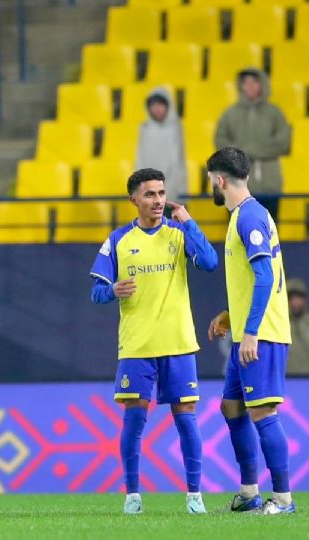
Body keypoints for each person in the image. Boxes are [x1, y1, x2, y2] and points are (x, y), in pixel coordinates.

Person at [89, 168, 218, 515]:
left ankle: (194, 496)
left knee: (186, 417)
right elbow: (96, 293)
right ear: (133, 200)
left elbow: (209, 262)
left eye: (161, 193)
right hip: (137, 346)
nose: (158, 200)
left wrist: (189, 222)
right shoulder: (118, 240)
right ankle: (132, 495)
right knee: (133, 419)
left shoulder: (177, 234)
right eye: (150, 194)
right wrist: (112, 289)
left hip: (177, 342)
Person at [205, 147, 295, 515]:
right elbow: (252, 278)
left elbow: (265, 275)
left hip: (262, 335)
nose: (210, 185)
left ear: (220, 180)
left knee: (262, 412)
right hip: (246, 331)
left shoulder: (249, 217)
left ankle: (284, 499)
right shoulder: (246, 216)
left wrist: (253, 331)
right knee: (232, 407)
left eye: (210, 180)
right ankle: (248, 491)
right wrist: (232, 315)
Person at [214, 69, 291, 222]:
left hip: (269, 184)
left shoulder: (274, 113)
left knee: (269, 234)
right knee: (237, 234)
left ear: (261, 85)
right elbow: (220, 142)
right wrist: (243, 154)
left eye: (254, 82)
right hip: (236, 185)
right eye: (246, 83)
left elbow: (283, 143)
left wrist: (247, 151)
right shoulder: (229, 114)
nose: (249, 86)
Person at [134, 88, 188, 206]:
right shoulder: (144, 129)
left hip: (174, 196)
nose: (157, 109)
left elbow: (177, 165)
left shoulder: (176, 129)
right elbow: (141, 160)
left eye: (161, 105)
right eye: (153, 105)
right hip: (149, 195)